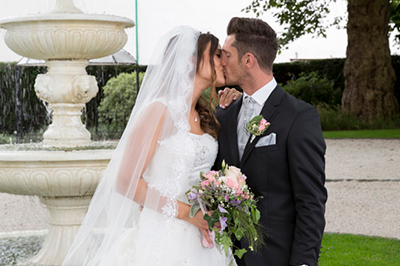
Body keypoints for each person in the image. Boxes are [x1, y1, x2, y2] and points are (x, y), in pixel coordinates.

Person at [61, 26, 237, 266]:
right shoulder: (160, 110)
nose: (224, 61)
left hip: (203, 235)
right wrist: (188, 213)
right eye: (216, 54)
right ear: (190, 60)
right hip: (165, 236)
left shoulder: (203, 115)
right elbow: (126, 181)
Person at [214, 17, 328, 266]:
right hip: (222, 255)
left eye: (227, 55)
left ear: (248, 60)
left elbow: (311, 201)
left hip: (275, 256)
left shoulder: (299, 116)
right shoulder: (223, 112)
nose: (221, 61)